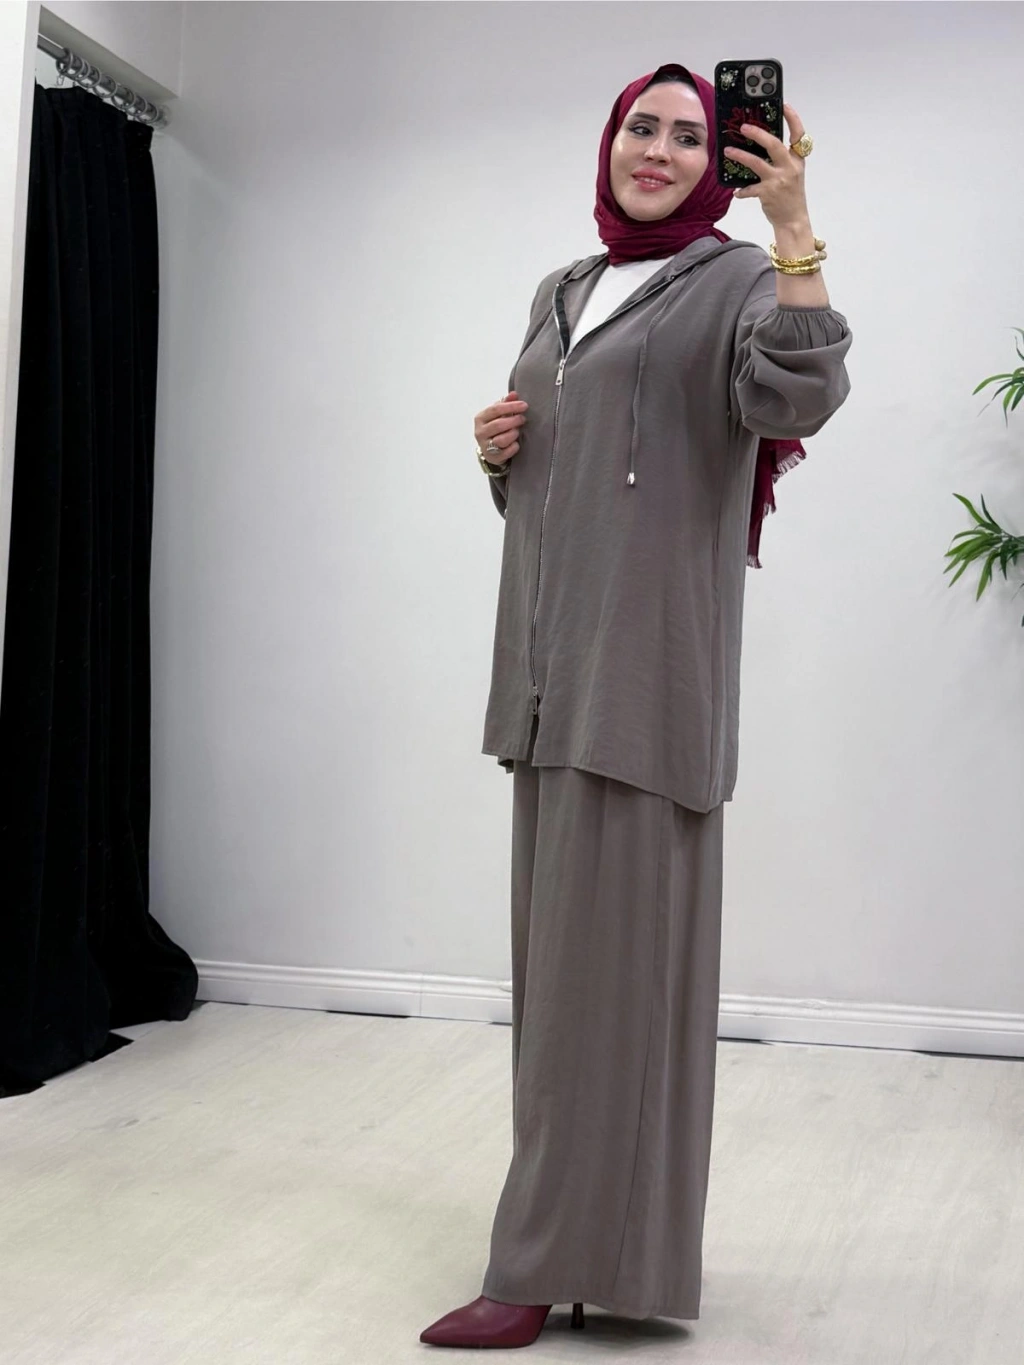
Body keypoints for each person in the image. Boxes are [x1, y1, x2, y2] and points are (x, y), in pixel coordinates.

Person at [420, 62, 852, 1350]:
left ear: (724, 159)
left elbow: (797, 395)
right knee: (566, 995)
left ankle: (536, 1267)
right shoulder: (563, 288)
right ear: (608, 142)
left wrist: (792, 226)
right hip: (549, 685)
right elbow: (569, 480)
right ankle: (607, 1260)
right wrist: (500, 451)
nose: (658, 150)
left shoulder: (736, 278)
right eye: (640, 128)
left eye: (690, 135)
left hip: (645, 690)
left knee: (607, 998)